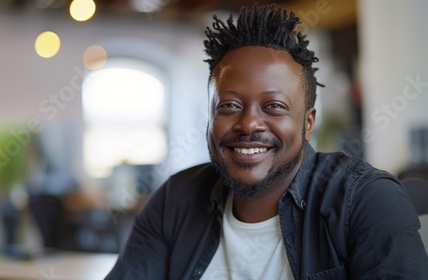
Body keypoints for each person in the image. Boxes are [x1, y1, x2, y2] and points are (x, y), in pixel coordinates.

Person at [106, 3, 428, 279]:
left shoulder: (367, 201)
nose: (248, 123)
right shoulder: (175, 200)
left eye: (274, 106)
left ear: (308, 123)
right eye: (229, 106)